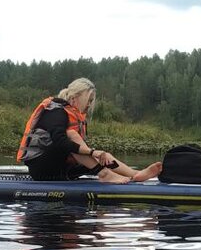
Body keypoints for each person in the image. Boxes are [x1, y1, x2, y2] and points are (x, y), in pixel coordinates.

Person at [17, 77, 161, 184]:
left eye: (92, 101)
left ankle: (135, 174)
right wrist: (91, 152)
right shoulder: (55, 112)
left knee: (103, 156)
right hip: (43, 170)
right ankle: (105, 174)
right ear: (75, 97)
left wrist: (95, 154)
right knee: (72, 136)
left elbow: (79, 152)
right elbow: (60, 141)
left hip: (62, 168)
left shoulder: (75, 114)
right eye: (89, 100)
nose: (90, 105)